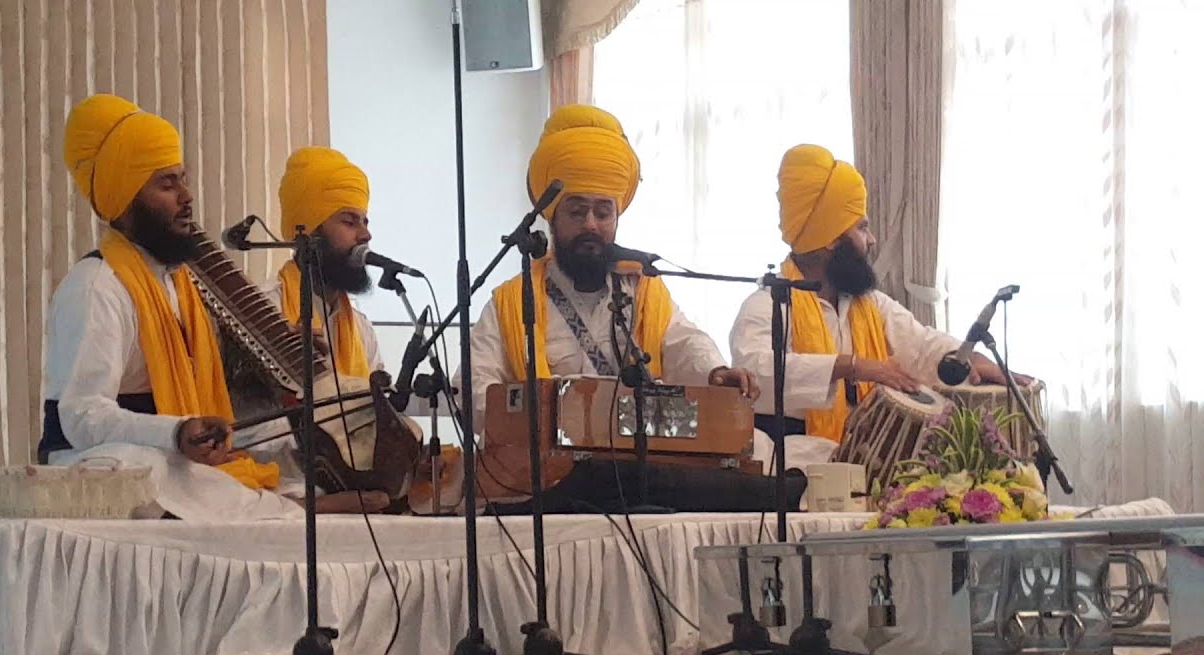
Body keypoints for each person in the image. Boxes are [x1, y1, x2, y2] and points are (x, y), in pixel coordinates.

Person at [39, 94, 380, 520]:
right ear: (127, 196)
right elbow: (81, 415)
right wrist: (176, 432)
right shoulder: (96, 286)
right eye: (168, 184)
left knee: (200, 477)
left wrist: (278, 351)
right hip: (98, 461)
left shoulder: (182, 285)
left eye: (184, 179)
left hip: (173, 453)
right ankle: (299, 508)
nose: (187, 196)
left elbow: (217, 374)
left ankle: (291, 506)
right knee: (147, 469)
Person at [458, 104, 773, 513]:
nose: (591, 224)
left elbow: (683, 344)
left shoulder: (642, 291)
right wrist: (539, 419)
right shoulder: (510, 302)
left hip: (642, 465)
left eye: (603, 212)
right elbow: (476, 384)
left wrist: (715, 372)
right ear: (552, 218)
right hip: (550, 477)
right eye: (577, 211)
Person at [728, 144, 1022, 468]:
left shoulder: (870, 305)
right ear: (830, 238)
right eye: (862, 227)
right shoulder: (767, 304)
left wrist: (971, 359)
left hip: (867, 466)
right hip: (792, 473)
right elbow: (754, 371)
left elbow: (921, 345)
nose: (872, 240)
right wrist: (852, 366)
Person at [260, 147, 384, 378]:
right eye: (349, 222)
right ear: (311, 235)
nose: (365, 235)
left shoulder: (361, 329)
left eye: (365, 222)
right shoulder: (267, 311)